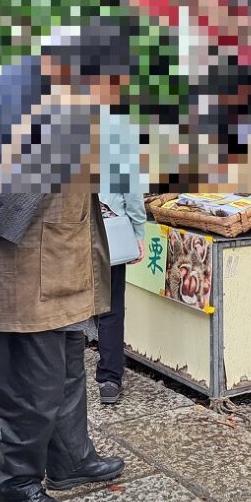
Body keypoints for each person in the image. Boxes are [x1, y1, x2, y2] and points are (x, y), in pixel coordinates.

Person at [0, 22, 132, 502]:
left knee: (67, 364)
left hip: (57, 256)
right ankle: (15, 483)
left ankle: (70, 458)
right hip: (29, 262)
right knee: (34, 379)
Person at [95, 107, 148, 405]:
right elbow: (131, 185)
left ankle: (61, 372)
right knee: (111, 305)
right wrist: (138, 231)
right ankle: (109, 379)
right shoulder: (117, 122)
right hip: (108, 227)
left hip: (63, 230)